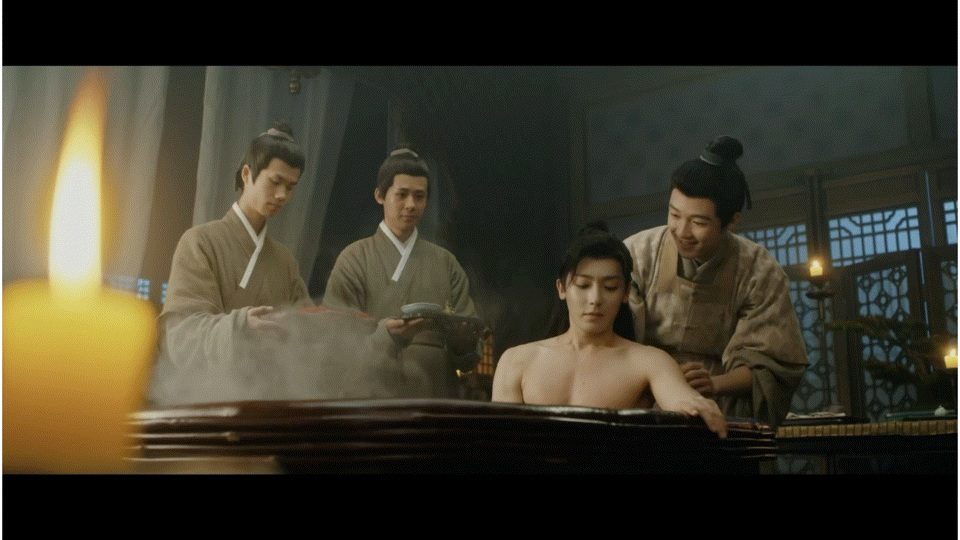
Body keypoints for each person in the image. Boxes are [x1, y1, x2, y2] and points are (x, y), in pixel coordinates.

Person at [623, 135, 808, 428]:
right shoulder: (637, 253)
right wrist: (663, 376)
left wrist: (714, 383)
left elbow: (772, 364)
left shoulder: (758, 270)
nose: (681, 231)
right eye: (674, 214)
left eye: (698, 222)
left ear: (732, 221)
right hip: (643, 401)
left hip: (721, 408)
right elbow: (611, 342)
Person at [491, 222, 728, 438]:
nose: (595, 299)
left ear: (625, 293)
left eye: (610, 287)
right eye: (583, 285)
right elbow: (500, 444)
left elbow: (681, 398)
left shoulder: (649, 361)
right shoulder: (517, 361)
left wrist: (695, 404)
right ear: (562, 289)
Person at [149, 122, 316, 406]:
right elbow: (181, 335)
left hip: (269, 401)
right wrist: (239, 326)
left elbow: (306, 332)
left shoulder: (284, 260)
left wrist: (327, 324)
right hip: (206, 402)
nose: (282, 196)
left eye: (290, 187)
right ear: (247, 174)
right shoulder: (199, 242)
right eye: (275, 182)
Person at [323, 147, 481, 398]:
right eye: (402, 194)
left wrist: (464, 342)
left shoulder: (446, 263)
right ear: (380, 195)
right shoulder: (354, 259)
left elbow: (469, 355)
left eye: (419, 196)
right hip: (372, 397)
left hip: (435, 397)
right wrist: (385, 336)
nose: (411, 205)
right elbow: (335, 346)